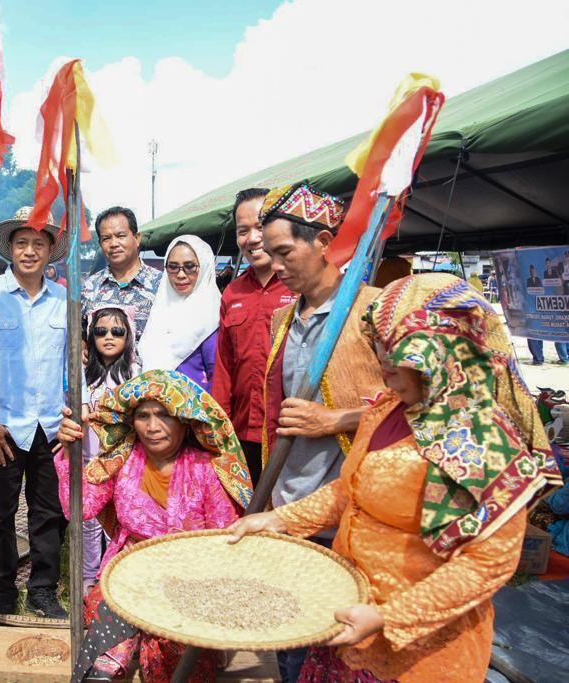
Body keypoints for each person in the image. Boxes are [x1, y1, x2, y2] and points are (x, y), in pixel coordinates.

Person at [227, 273, 562, 683]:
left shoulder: (480, 439)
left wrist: (388, 616)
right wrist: (280, 519)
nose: (384, 360)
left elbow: (486, 564)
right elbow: (351, 490)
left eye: (400, 349)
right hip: (350, 615)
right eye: (379, 344)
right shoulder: (386, 409)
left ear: (444, 347)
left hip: (421, 651)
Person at [259, 181, 385, 682]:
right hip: (290, 503)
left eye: (284, 252)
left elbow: (421, 408)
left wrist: (339, 420)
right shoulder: (281, 319)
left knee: (345, 642)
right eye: (269, 254)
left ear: (324, 241)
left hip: (354, 510)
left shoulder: (375, 311)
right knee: (290, 635)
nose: (275, 265)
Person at [55, 370, 252, 681]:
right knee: (104, 640)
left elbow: (226, 543)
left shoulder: (206, 470)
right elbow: (79, 509)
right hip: (128, 572)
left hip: (190, 583)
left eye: (164, 415)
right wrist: (71, 451)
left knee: (174, 648)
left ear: (184, 421)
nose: (152, 427)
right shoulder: (122, 460)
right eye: (143, 416)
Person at [0, 206, 71, 618]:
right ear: (10, 249)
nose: (30, 251)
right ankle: (1, 592)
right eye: (22, 243)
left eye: (38, 243)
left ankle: (43, 590)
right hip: (3, 423)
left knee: (49, 512)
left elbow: (72, 363)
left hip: (49, 424)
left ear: (50, 251)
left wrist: (71, 415)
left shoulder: (65, 300)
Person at [211, 188, 297, 484]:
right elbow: (224, 367)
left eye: (260, 227)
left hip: (291, 433)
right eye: (242, 231)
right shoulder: (233, 292)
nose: (252, 238)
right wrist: (220, 429)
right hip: (242, 433)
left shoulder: (299, 285)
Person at [80, 305, 140, 588]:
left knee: (118, 519)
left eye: (117, 331)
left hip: (122, 464)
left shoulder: (135, 373)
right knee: (89, 520)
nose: (108, 337)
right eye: (100, 331)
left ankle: (114, 577)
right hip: (88, 462)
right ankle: (88, 578)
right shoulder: (82, 374)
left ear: (128, 335)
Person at [137, 235, 219, 391]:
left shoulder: (214, 315)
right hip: (153, 400)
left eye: (190, 266)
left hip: (196, 403)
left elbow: (217, 375)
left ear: (205, 266)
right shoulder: (159, 310)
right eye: (173, 267)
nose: (181, 275)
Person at [82, 206, 162, 340]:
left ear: (137, 238)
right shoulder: (89, 288)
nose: (114, 244)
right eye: (106, 238)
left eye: (120, 236)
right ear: (100, 243)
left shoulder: (161, 284)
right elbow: (81, 335)